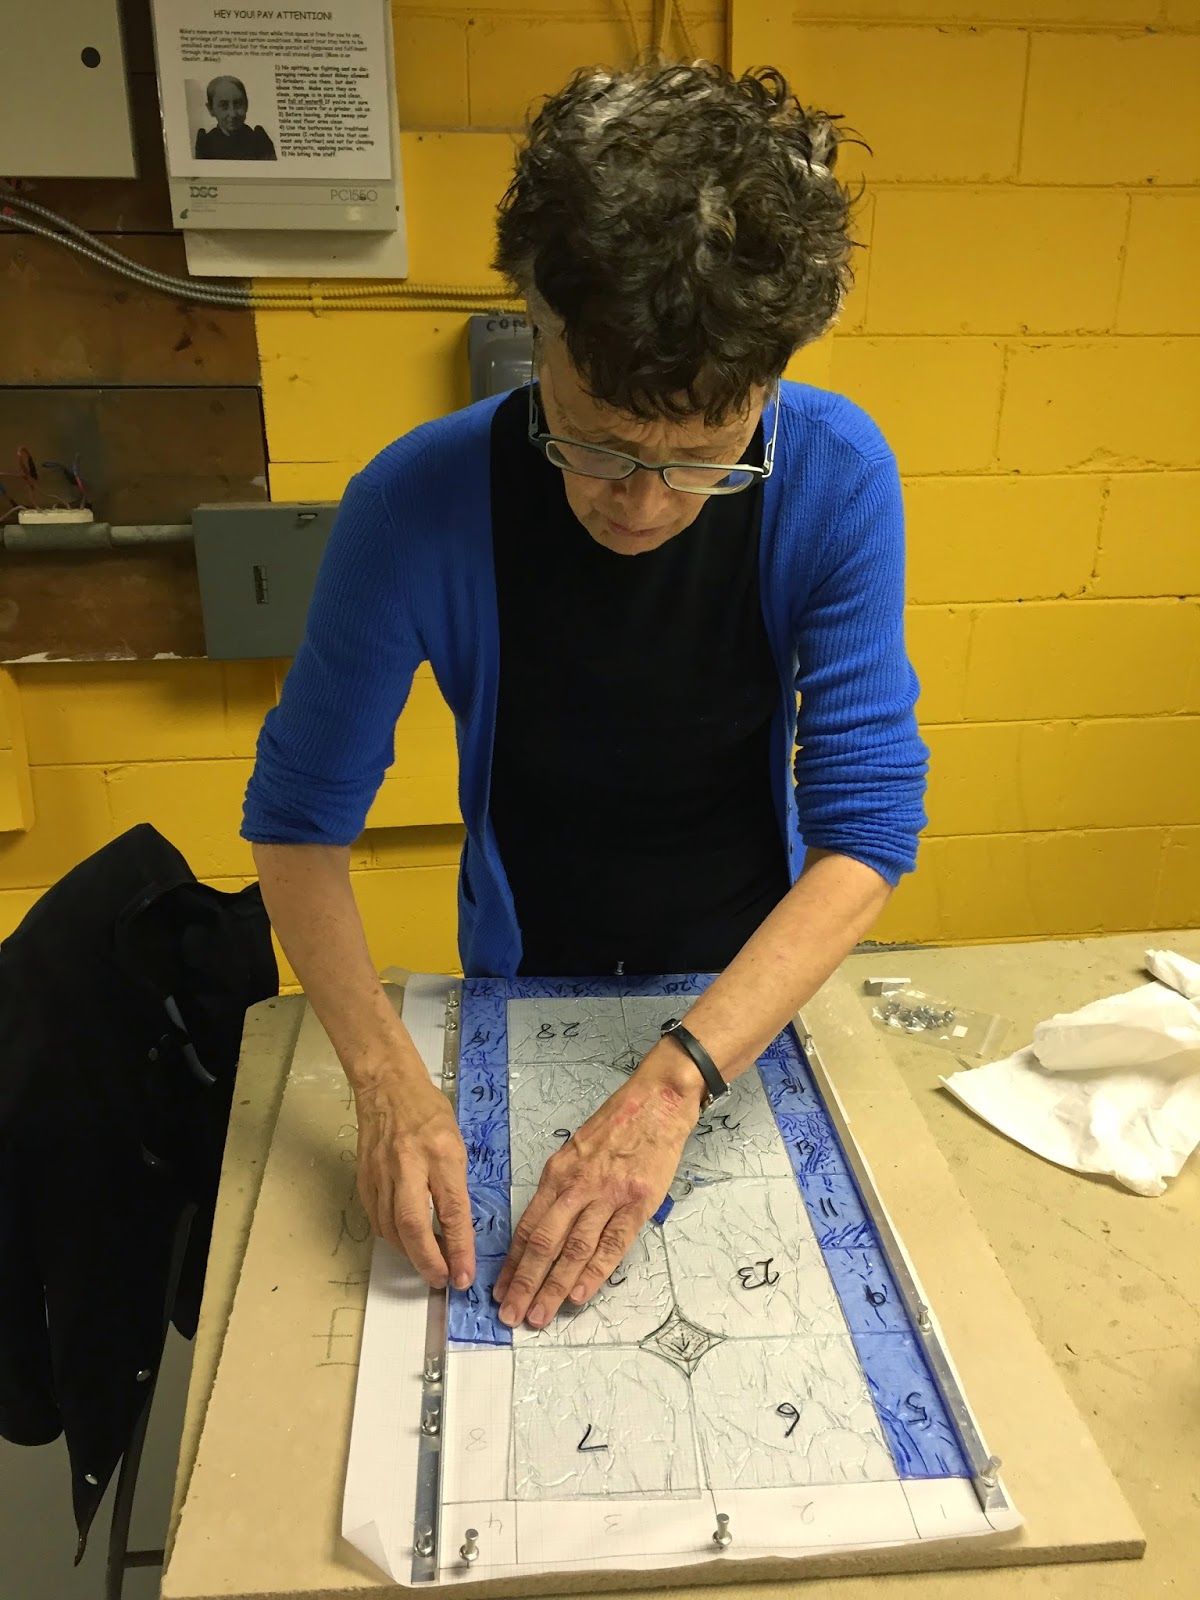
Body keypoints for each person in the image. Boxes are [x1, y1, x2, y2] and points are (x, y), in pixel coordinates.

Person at [242, 61, 927, 1335]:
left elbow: (867, 831)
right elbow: (296, 824)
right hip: (524, 973)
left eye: (704, 458)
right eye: (598, 440)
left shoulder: (836, 476)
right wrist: (383, 1079)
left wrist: (674, 1085)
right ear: (538, 329)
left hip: (746, 991)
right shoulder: (413, 503)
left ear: (771, 383)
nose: (645, 503)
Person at [195, 75, 277, 161]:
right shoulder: (206, 144)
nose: (233, 114)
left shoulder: (259, 141)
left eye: (238, 104)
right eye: (224, 106)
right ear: (211, 109)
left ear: (247, 105)